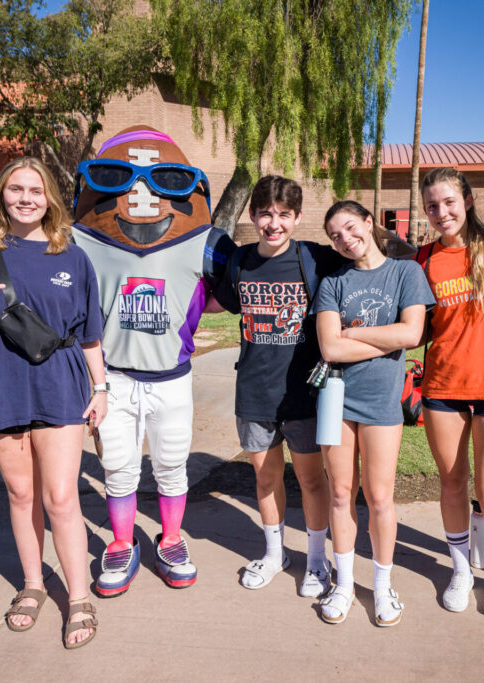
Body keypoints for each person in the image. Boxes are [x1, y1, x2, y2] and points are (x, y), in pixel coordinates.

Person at [0, 157, 106, 650]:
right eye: (16, 189)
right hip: (0, 386)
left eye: (35, 189)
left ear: (50, 197)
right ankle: (33, 585)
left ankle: (77, 598)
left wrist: (102, 389)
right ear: (1, 197)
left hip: (60, 386)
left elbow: (90, 335)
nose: (26, 198)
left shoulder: (72, 257)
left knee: (61, 497)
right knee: (20, 494)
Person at [70, 126, 236, 596]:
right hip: (114, 378)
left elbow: (227, 290)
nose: (142, 191)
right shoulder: (83, 240)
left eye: (165, 178)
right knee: (119, 466)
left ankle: (170, 539)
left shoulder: (202, 241)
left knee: (171, 464)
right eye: (120, 176)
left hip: (172, 377)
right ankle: (123, 541)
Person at [212, 175, 343, 596]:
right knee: (265, 480)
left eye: (284, 215)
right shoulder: (239, 262)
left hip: (302, 394)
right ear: (252, 215)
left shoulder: (315, 258)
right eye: (266, 213)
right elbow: (212, 300)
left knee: (310, 480)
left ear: (298, 217)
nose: (274, 223)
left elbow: (368, 264)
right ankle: (274, 554)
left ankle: (317, 560)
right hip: (253, 393)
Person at [311, 200, 434, 626]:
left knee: (380, 497)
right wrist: (387, 339)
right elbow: (330, 348)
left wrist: (354, 333)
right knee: (341, 494)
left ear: (369, 222)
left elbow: (413, 333)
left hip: (382, 401)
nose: (345, 239)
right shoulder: (332, 283)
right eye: (335, 236)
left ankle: (382, 586)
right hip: (336, 400)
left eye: (349, 227)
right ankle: (343, 583)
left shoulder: (406, 273)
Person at [415, 167, 484, 617]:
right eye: (432, 206)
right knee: (451, 483)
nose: (441, 212)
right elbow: (415, 326)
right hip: (442, 386)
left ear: (467, 200)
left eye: (448, 202)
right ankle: (461, 570)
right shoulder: (421, 259)